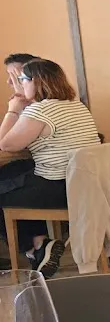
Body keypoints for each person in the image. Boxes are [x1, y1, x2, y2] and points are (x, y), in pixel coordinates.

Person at [0, 59, 99, 277]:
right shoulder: (74, 104)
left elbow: (5, 144)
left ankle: (37, 245)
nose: (19, 84)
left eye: (22, 79)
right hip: (83, 186)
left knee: (5, 192)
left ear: (35, 82)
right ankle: (40, 246)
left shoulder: (40, 110)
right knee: (12, 178)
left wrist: (13, 111)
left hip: (58, 189)